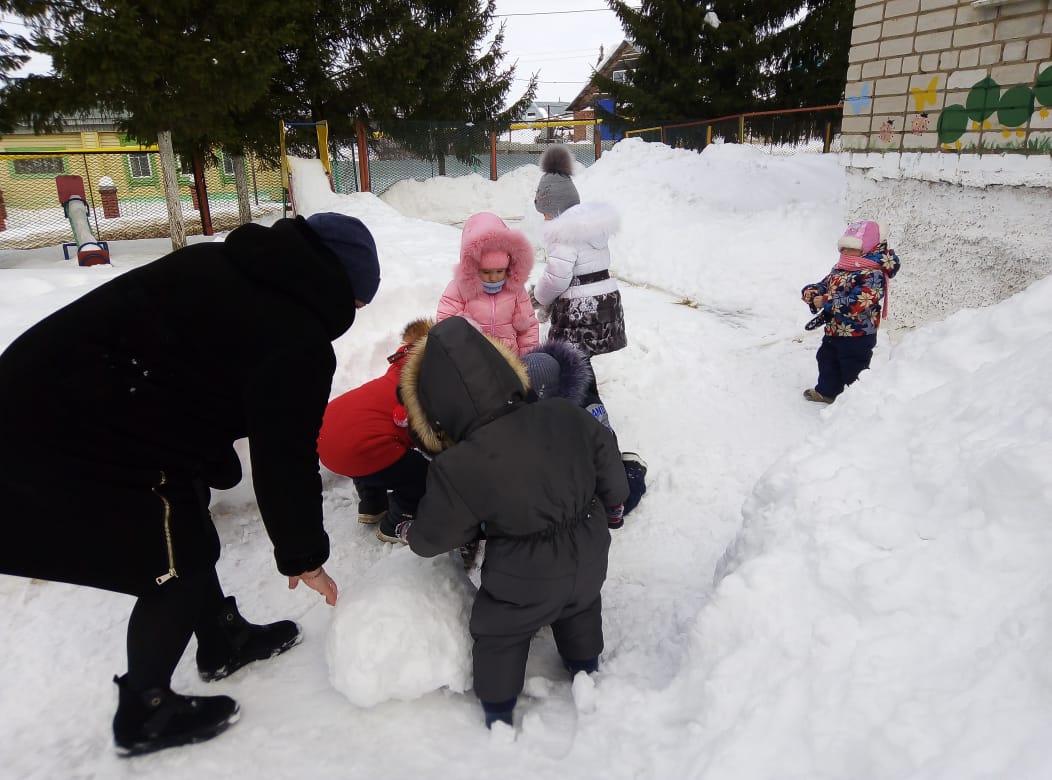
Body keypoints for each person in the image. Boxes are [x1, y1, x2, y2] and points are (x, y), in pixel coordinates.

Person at [0, 210, 380, 756]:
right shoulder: (296, 335)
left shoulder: (220, 266)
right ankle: (146, 712)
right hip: (64, 430)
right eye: (359, 301)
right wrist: (303, 554)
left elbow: (184, 368)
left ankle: (221, 639)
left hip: (44, 393)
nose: (356, 313)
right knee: (173, 562)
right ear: (341, 282)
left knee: (186, 520)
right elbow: (285, 455)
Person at [393, 316, 628, 729]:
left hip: (524, 574)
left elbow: (435, 537)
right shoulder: (562, 412)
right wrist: (614, 502)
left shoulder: (459, 465)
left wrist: (418, 532)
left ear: (434, 410)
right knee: (581, 603)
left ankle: (499, 710)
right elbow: (607, 454)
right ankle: (584, 664)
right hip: (591, 545)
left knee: (499, 631)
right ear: (504, 368)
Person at [531, 144, 627, 420]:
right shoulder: (592, 229)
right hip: (606, 304)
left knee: (570, 364)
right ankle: (586, 408)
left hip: (580, 311)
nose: (546, 220)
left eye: (546, 213)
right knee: (582, 361)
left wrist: (539, 297)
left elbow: (556, 278)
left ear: (556, 207)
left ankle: (588, 415)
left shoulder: (563, 233)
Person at [317, 317, 432, 544]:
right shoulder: (420, 387)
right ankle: (396, 523)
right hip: (359, 449)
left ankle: (372, 504)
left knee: (371, 446)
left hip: (326, 438)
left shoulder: (396, 372)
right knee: (420, 473)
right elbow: (424, 432)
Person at [520, 339, 646, 526]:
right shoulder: (550, 408)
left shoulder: (585, 413)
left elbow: (605, 461)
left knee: (599, 505)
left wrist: (614, 510)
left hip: (595, 471)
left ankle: (633, 469)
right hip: (568, 470)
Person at [800, 219, 901, 403]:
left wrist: (825, 301)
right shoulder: (842, 268)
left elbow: (857, 303)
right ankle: (827, 392)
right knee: (826, 359)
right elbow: (825, 284)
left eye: (850, 247)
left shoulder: (873, 274)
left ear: (868, 248)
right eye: (842, 247)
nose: (844, 251)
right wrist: (813, 291)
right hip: (834, 329)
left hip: (858, 333)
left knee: (854, 367)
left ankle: (858, 402)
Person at [436, 211, 539, 355]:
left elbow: (529, 328)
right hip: (473, 359)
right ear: (474, 267)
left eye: (499, 271)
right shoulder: (459, 288)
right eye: (486, 272)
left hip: (509, 360)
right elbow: (445, 320)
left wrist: (528, 358)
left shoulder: (515, 290)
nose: (493, 278)